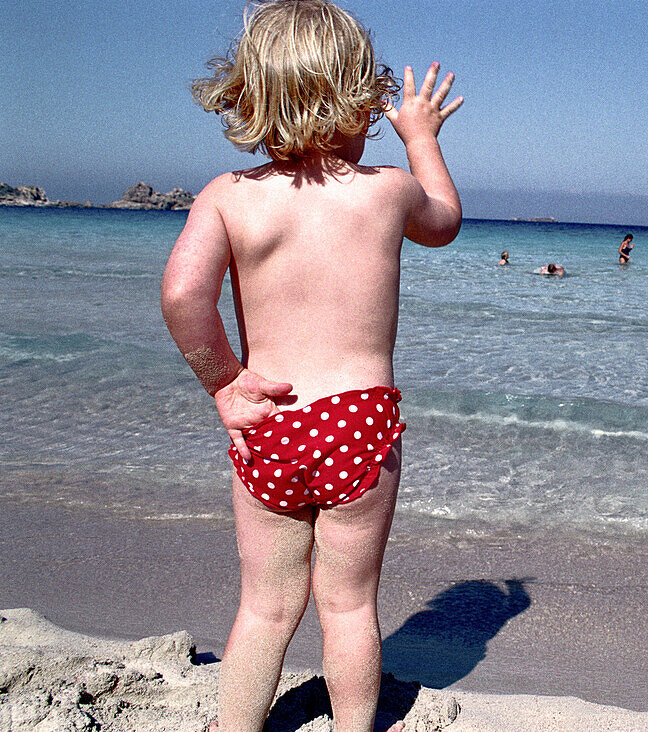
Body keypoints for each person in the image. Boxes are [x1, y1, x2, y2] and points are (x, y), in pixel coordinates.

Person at [161, 2, 463, 730]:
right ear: (358, 99)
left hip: (271, 419)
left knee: (265, 606)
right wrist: (420, 138)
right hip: (358, 423)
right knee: (350, 603)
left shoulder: (228, 198)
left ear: (254, 97)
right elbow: (445, 222)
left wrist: (226, 382)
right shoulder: (387, 189)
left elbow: (181, 294)